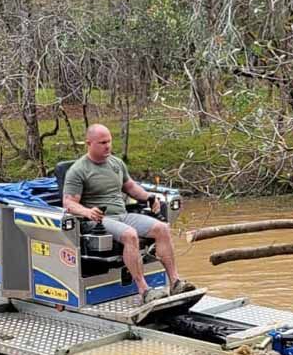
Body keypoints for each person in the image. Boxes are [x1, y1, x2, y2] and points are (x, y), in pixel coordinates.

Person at [62, 124, 194, 304]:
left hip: (122, 215)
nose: (107, 146)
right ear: (89, 143)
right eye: (102, 143)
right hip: (99, 221)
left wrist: (149, 197)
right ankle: (144, 290)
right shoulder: (78, 170)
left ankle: (175, 282)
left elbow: (130, 187)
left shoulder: (116, 164)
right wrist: (87, 211)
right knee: (130, 234)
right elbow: (68, 203)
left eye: (109, 141)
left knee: (162, 228)